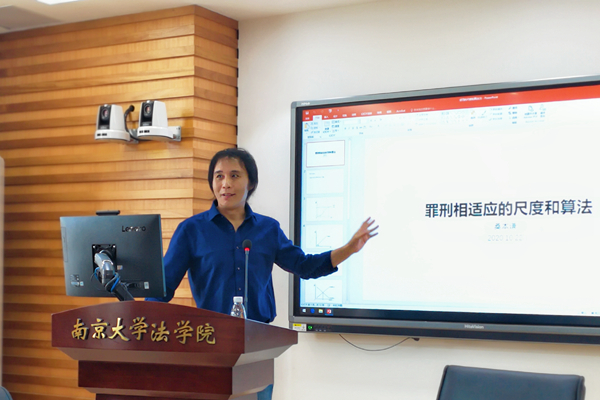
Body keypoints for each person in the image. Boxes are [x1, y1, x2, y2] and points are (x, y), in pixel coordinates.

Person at [147, 148, 378, 399]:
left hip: (258, 344)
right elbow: (162, 288)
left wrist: (348, 249)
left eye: (234, 175)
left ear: (251, 183)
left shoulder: (268, 229)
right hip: (211, 341)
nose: (225, 184)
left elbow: (304, 266)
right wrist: (142, 327)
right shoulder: (192, 230)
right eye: (219, 176)